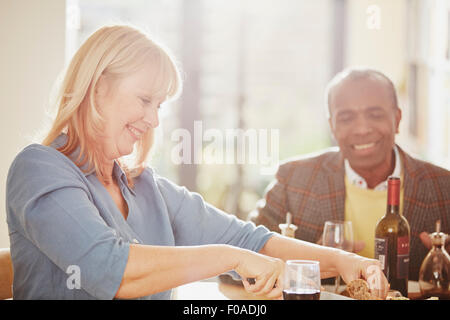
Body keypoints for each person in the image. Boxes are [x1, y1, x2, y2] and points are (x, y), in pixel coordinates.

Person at [6, 25, 387, 300]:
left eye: (159, 106)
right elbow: (111, 271)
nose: (154, 119)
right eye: (144, 100)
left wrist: (344, 260)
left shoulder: (143, 186)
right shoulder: (39, 169)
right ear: (99, 87)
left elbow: (250, 240)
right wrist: (231, 258)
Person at [250, 67, 450, 281]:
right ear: (332, 127)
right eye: (346, 118)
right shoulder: (293, 180)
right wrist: (311, 259)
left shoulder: (443, 188)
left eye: (375, 115)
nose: (362, 129)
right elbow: (240, 262)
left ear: (397, 119)